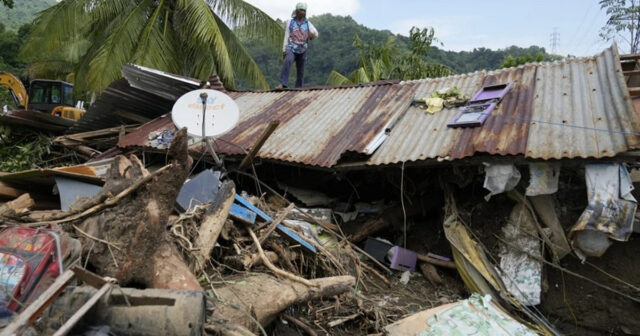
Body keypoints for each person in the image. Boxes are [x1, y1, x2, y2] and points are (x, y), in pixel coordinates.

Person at [276, 2, 318, 89]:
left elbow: (316, 33)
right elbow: (287, 35)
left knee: (301, 69)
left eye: (304, 10)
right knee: (288, 61)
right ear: (297, 11)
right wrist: (284, 49)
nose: (303, 12)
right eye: (301, 10)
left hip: (303, 49)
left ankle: (298, 87)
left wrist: (311, 35)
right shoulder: (290, 22)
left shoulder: (308, 23)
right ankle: (282, 83)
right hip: (291, 47)